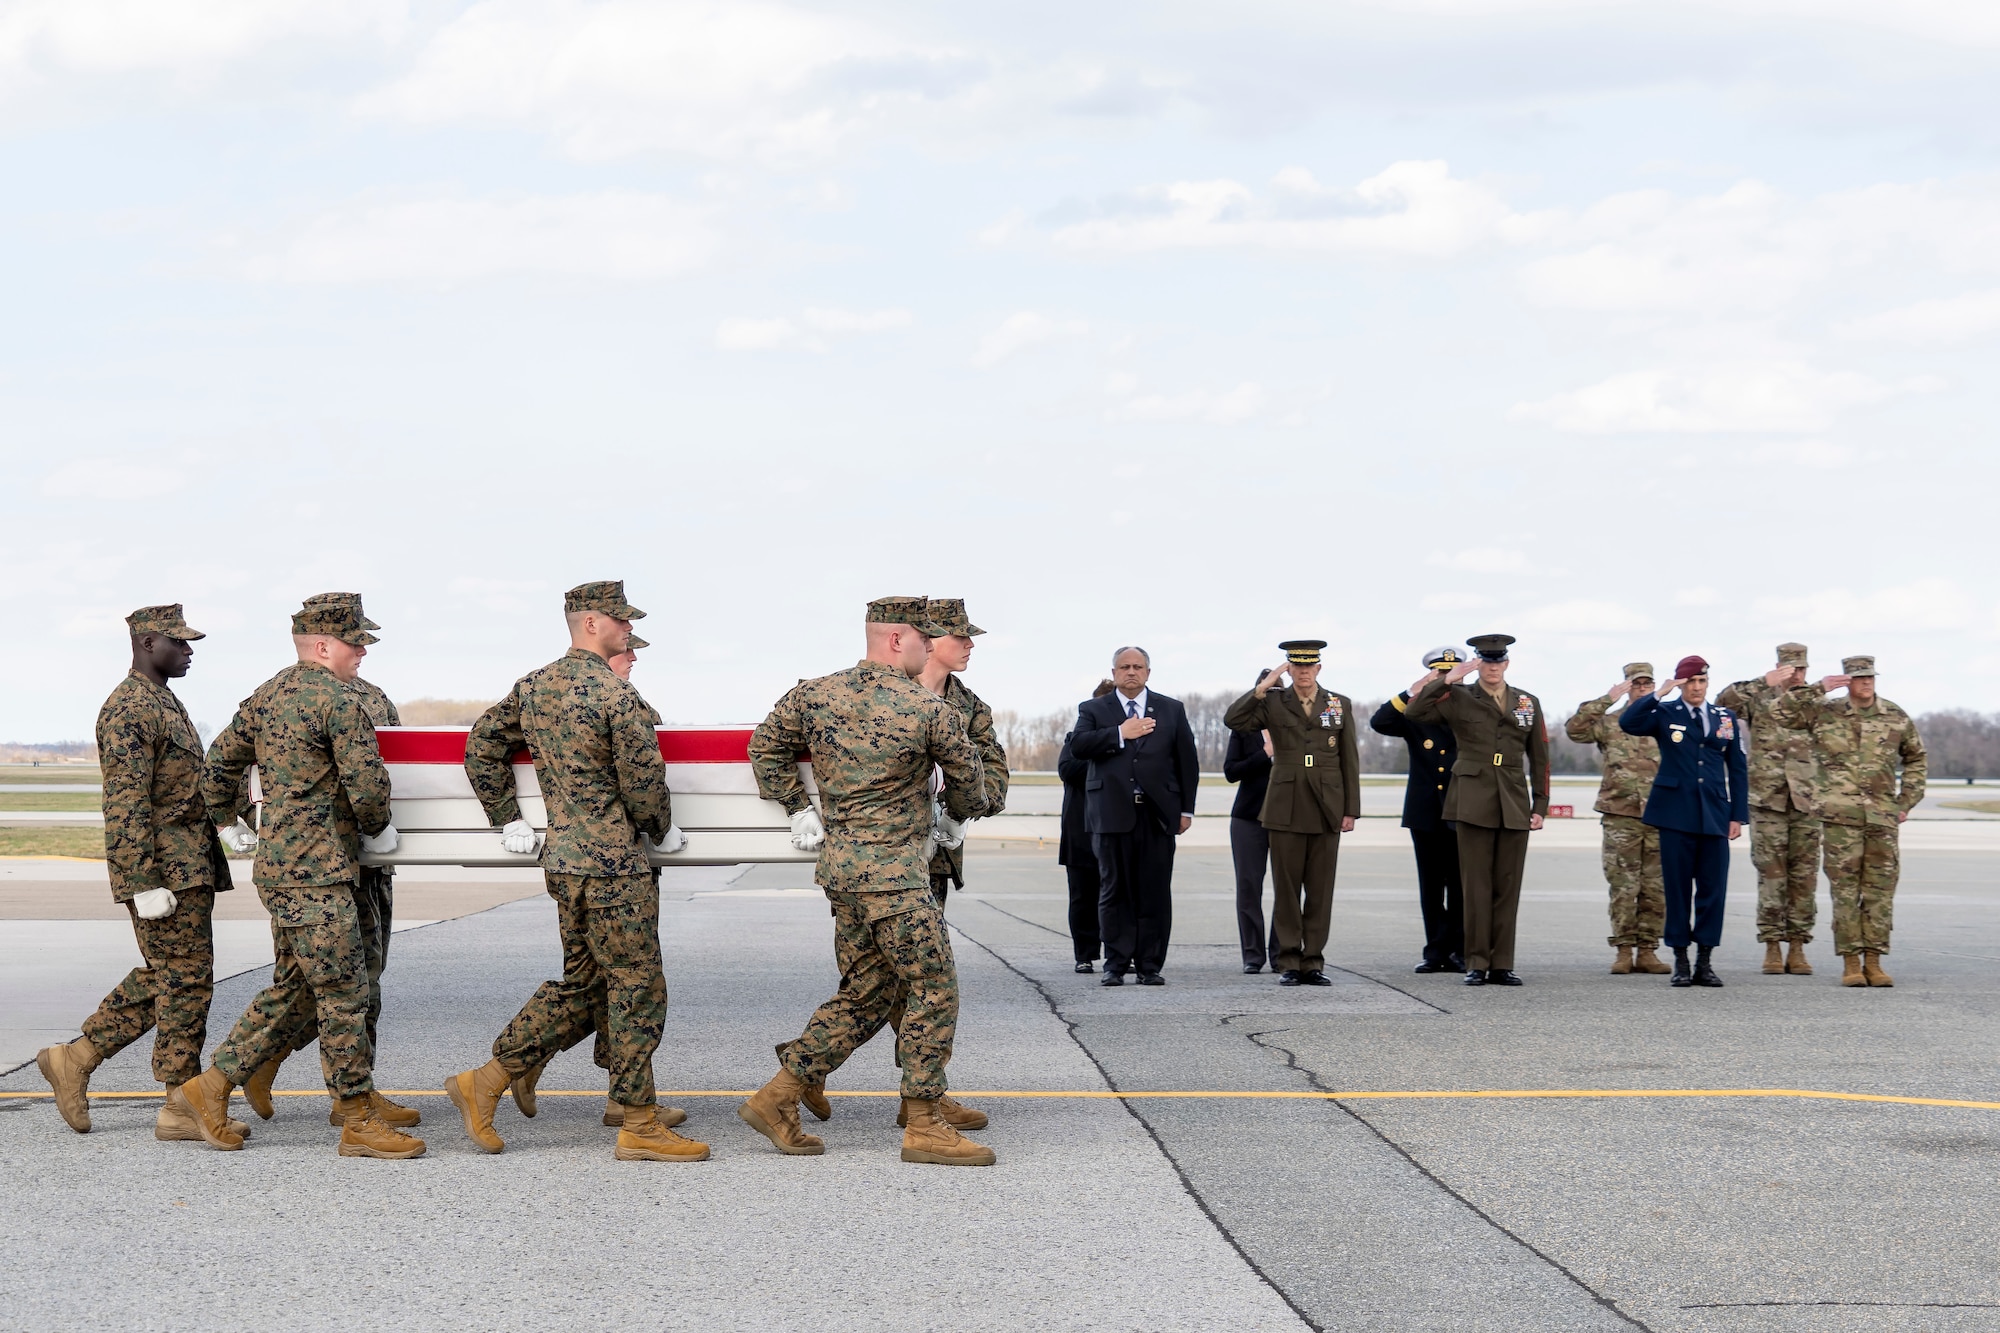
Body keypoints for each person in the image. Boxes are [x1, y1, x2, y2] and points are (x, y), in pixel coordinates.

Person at [445, 581, 703, 1163]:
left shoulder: (534, 686)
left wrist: (507, 816)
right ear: (592, 624)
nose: (628, 631)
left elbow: (480, 746)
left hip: (565, 859)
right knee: (637, 985)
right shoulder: (615, 696)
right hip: (614, 864)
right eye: (621, 622)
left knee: (589, 984)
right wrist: (660, 827)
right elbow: (644, 783)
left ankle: (596, 1095)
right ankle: (633, 1122)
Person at [737, 596, 994, 1166]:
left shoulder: (817, 693)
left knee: (868, 994)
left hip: (842, 873)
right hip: (898, 878)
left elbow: (765, 745)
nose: (931, 648)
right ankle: (924, 1122)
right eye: (924, 640)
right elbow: (973, 784)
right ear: (898, 640)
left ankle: (777, 1096)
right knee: (934, 986)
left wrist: (797, 806)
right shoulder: (927, 708)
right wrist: (953, 814)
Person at [186, 597, 422, 1158]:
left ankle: (217, 1088)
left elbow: (218, 764)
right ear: (322, 645)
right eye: (353, 642)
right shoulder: (338, 699)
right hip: (320, 870)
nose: (362, 651)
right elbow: (367, 784)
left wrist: (230, 819)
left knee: (301, 988)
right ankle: (354, 1117)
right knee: (344, 991)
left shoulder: (266, 694)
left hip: (284, 868)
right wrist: (378, 827)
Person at [35, 605, 247, 1145]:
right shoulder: (129, 708)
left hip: (188, 865)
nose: (190, 650)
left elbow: (185, 786)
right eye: (180, 642)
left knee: (179, 979)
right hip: (163, 872)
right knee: (181, 978)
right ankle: (167, 1096)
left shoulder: (163, 701)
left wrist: (230, 819)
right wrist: (140, 881)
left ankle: (88, 1063)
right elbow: (125, 804)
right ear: (148, 642)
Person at [1773, 657, 1925, 987]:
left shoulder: (1895, 716)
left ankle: (1875, 959)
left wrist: (1906, 799)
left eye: (1870, 676)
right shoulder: (1825, 712)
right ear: (1847, 681)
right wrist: (1817, 689)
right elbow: (1781, 715)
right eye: (1858, 677)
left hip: (1882, 818)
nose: (1866, 682)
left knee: (1880, 892)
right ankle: (1851, 962)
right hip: (1841, 819)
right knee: (1845, 892)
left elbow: (1916, 758)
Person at [1406, 634, 1549, 986]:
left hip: (1513, 799)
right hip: (1472, 799)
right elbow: (1414, 711)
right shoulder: (1458, 697)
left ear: (1507, 664)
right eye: (1486, 661)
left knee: (1507, 885)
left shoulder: (1527, 702)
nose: (1493, 667)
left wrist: (1540, 803)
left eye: (1498, 661)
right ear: (1478, 664)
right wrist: (1445, 680)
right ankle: (1477, 962)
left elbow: (1540, 757)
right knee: (1475, 885)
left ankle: (1502, 963)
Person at [1223, 642, 1359, 986]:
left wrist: (1350, 810)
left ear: (1318, 668)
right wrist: (1264, 686)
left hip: (1326, 806)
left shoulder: (1338, 704)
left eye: (1308, 666)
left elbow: (1349, 760)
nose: (1302, 672)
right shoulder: (1273, 702)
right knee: (1286, 889)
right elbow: (1233, 719)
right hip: (1284, 806)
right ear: (1289, 668)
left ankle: (1313, 960)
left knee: (1320, 889)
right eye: (1296, 666)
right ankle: (1288, 962)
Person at [1068, 646, 1201, 986]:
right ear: (1113, 673)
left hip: (1157, 814)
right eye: (1124, 667)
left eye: (1137, 667)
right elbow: (1079, 746)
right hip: (1112, 814)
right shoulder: (1095, 709)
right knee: (1115, 891)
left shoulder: (1171, 709)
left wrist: (1186, 809)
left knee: (1154, 891)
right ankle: (1115, 963)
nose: (1131, 672)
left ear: (1148, 673)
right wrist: (1119, 734)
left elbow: (1187, 762)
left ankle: (1150, 964)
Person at [1618, 655, 1748, 988]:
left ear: (1707, 683)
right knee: (1677, 891)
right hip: (1675, 814)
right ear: (1680, 683)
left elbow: (1737, 768)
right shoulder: (1664, 713)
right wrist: (1659, 693)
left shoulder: (1725, 717)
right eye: (1690, 682)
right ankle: (1680, 960)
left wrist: (1738, 815)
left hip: (1715, 815)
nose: (1696, 688)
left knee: (1713, 891)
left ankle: (1704, 961)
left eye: (1701, 681)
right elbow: (1629, 723)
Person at [1717, 643, 1822, 976]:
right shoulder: (1760, 698)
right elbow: (1722, 704)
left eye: (1802, 669)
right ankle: (1772, 946)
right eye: (1790, 669)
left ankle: (1799, 946)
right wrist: (1763, 682)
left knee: (1804, 879)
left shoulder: (1817, 702)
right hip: (1767, 801)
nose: (1797, 675)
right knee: (1771, 876)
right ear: (1778, 667)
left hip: (1807, 802)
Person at [1566, 663, 1670, 976]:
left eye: (1646, 684)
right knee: (1623, 886)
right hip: (1619, 814)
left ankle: (1648, 950)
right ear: (1627, 686)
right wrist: (1607, 699)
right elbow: (1575, 729)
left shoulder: (1666, 720)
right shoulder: (1611, 722)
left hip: (1660, 814)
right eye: (1635, 684)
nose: (1641, 689)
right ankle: (1624, 950)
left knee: (1656, 886)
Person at [1372, 647, 1465, 975]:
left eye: (1451, 673)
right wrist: (1412, 691)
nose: (1445, 679)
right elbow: (1380, 721)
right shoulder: (1416, 713)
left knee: (1460, 886)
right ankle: (1435, 951)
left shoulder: (1469, 709)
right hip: (1425, 813)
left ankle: (1460, 951)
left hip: (1461, 812)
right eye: (1439, 673)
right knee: (1430, 887)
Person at [917, 599, 1010, 901]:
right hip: (875, 853)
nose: (970, 644)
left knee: (929, 946)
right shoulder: (882, 695)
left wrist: (961, 812)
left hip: (936, 854)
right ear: (929, 638)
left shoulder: (969, 706)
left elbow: (993, 766)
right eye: (959, 636)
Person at [1057, 680, 1116, 972]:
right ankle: (1085, 954)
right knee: (1082, 895)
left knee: (1119, 894)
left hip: (1116, 828)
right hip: (1080, 830)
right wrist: (1104, 752)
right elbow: (1067, 770)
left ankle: (1119, 952)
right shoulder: (1074, 740)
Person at [1223, 672, 1279, 974]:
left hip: (1286, 817)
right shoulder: (1245, 730)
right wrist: (1265, 754)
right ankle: (1253, 955)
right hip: (1248, 817)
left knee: (1286, 888)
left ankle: (1281, 953)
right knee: (1248, 887)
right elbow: (1231, 771)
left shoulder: (1292, 727)